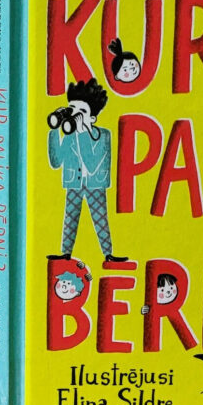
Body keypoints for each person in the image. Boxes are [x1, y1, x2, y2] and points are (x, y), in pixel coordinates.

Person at [48, 78, 127, 266]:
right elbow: (56, 162)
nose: (75, 115)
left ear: (92, 118)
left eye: (81, 112)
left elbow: (91, 164)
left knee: (100, 219)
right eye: (72, 110)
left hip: (94, 183)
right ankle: (65, 253)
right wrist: (55, 131)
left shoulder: (103, 136)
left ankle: (108, 254)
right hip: (73, 181)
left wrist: (83, 132)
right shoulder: (70, 136)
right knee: (70, 218)